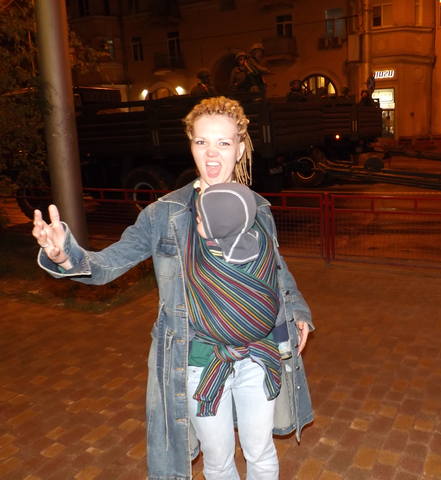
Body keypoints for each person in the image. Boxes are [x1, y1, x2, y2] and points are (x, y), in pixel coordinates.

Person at [32, 96, 314, 480]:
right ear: (191, 145)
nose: (212, 153)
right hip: (197, 358)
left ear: (240, 148)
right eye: (201, 142)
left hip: (258, 354)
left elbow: (276, 270)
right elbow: (107, 264)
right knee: (218, 461)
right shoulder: (164, 214)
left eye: (223, 142)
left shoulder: (258, 208)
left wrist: (297, 310)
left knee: (261, 451)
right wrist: (66, 256)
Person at [195, 182, 292, 359]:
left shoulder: (214, 248)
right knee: (276, 302)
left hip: (231, 318)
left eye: (201, 219)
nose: (196, 220)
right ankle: (283, 341)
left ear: (218, 224)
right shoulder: (257, 237)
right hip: (266, 313)